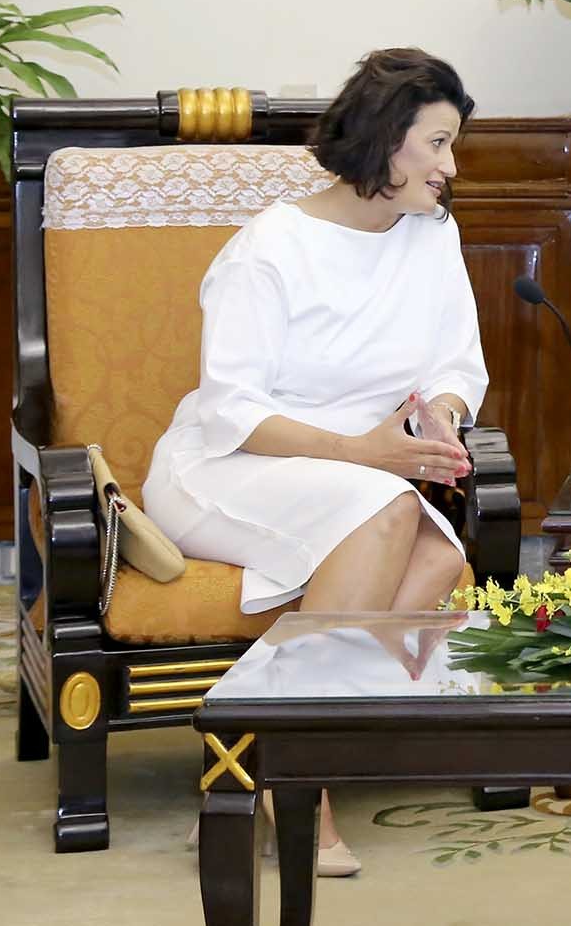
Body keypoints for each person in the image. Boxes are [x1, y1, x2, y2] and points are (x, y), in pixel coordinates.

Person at [143, 48, 487, 877]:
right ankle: (309, 792)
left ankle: (255, 762)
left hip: (356, 472)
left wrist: (437, 422)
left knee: (442, 558)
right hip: (226, 466)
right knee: (390, 512)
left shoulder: (431, 235)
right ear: (383, 140)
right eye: (436, 144)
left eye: (451, 145)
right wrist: (369, 454)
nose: (450, 166)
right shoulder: (271, 247)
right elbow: (233, 409)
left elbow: (456, 366)